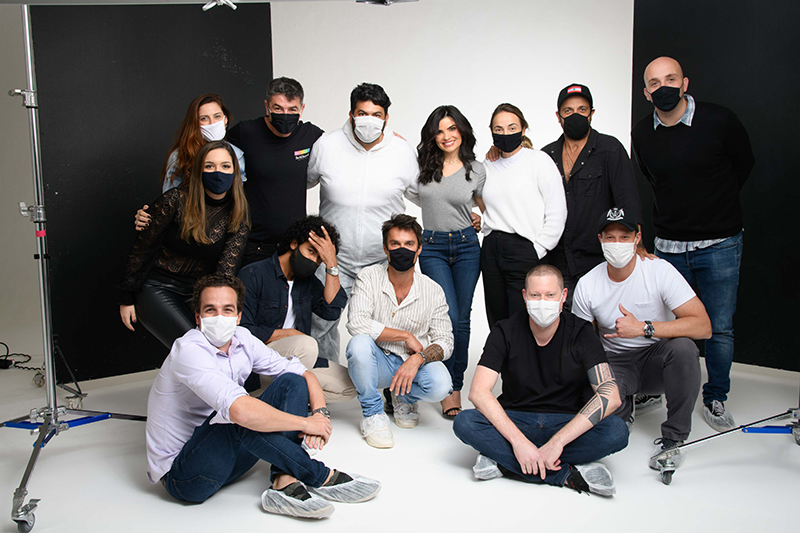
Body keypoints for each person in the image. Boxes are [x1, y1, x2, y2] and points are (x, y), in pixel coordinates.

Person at [145, 274, 380, 519]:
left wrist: (320, 415)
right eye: (210, 310)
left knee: (292, 382)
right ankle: (319, 475)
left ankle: (283, 481)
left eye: (227, 310)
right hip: (186, 476)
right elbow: (239, 412)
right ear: (198, 317)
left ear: (238, 316)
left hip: (229, 459)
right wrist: (306, 423)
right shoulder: (189, 350)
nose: (219, 317)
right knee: (238, 414)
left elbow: (303, 373)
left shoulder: (242, 338)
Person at [631, 57, 755, 432]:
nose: (663, 87)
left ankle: (715, 396)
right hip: (669, 246)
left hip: (720, 243)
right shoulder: (643, 132)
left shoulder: (719, 120)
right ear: (646, 92)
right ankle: (656, 387)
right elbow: (651, 178)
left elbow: (743, 164)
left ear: (685, 83)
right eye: (655, 83)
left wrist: (715, 205)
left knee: (719, 326)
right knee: (663, 324)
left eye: (670, 79)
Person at [453, 264, 628, 496]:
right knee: (465, 422)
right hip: (517, 419)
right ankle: (565, 473)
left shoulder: (581, 332)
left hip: (567, 422)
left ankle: (506, 464)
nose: (542, 302)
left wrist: (557, 442)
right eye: (535, 295)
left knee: (617, 431)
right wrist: (519, 443)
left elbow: (610, 395)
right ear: (525, 296)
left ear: (563, 296)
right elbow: (478, 392)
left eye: (550, 295)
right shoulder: (504, 331)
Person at [572, 208, 712, 470]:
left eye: (624, 237)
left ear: (637, 238)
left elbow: (703, 327)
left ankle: (674, 438)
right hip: (614, 361)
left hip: (656, 359)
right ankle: (625, 408)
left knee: (684, 348)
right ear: (600, 239)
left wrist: (644, 328)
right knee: (604, 421)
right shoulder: (588, 284)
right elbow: (580, 341)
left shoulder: (659, 271)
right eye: (610, 237)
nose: (617, 244)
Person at [307, 83, 418, 363]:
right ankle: (323, 383)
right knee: (320, 325)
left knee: (389, 330)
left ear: (386, 118)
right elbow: (298, 182)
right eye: (362, 113)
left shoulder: (402, 151)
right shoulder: (327, 145)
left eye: (376, 114)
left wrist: (469, 211)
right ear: (351, 114)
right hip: (333, 259)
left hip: (382, 263)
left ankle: (389, 385)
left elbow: (424, 195)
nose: (369, 120)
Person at [118, 141, 249, 349]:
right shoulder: (175, 200)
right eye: (209, 166)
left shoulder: (239, 214)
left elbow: (225, 273)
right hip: (156, 287)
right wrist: (126, 297)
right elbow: (142, 249)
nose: (218, 172)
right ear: (199, 170)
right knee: (195, 347)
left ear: (235, 171)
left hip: (197, 293)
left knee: (219, 346)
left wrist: (221, 315)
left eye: (225, 166)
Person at [345, 215, 453, 449]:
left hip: (412, 364)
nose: (402, 250)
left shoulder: (433, 290)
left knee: (442, 385)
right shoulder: (368, 277)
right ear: (385, 248)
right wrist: (406, 336)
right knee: (358, 344)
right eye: (395, 244)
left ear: (419, 248)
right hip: (379, 362)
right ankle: (373, 414)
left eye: (409, 244)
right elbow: (356, 323)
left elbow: (445, 341)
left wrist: (418, 358)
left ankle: (403, 397)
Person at [406, 105, 485, 419]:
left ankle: (453, 388)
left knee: (462, 319)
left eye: (452, 128)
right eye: (439, 131)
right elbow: (420, 196)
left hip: (467, 246)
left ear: (462, 130)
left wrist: (479, 218)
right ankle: (442, 380)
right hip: (433, 247)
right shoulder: (422, 167)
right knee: (447, 316)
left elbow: (491, 207)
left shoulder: (477, 169)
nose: (446, 136)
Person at [540, 84, 647, 309]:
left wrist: (637, 247)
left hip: (599, 263)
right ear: (558, 116)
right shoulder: (546, 156)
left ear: (592, 113)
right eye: (568, 111)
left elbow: (628, 200)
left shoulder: (610, 149)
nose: (575, 115)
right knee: (561, 326)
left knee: (603, 324)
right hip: (557, 263)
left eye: (582, 109)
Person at [239, 215, 356, 404]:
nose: (313, 260)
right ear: (294, 244)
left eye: (319, 258)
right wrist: (289, 334)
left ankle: (274, 398)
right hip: (260, 359)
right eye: (311, 251)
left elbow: (331, 310)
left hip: (298, 358)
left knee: (350, 384)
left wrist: (331, 263)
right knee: (307, 345)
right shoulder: (253, 274)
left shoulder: (307, 282)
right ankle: (279, 398)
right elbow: (242, 331)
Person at [481, 103, 567, 327]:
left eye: (512, 128)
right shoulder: (488, 164)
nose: (505, 134)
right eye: (498, 129)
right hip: (491, 248)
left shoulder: (539, 161)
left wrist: (539, 248)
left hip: (523, 248)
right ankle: (499, 352)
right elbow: (473, 195)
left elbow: (557, 210)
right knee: (496, 318)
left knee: (522, 319)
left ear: (523, 129)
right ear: (491, 131)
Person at [227, 77, 324, 266]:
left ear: (302, 109)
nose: (285, 115)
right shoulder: (246, 132)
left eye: (292, 109)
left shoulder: (310, 135)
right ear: (267, 106)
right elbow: (212, 149)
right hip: (253, 244)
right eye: (278, 108)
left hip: (294, 245)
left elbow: (341, 148)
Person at [134, 93, 245, 228]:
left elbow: (238, 198)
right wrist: (147, 217)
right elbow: (168, 201)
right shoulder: (180, 156)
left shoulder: (237, 155)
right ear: (195, 123)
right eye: (204, 118)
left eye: (217, 116)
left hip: (223, 227)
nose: (212, 123)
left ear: (225, 119)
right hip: (188, 226)